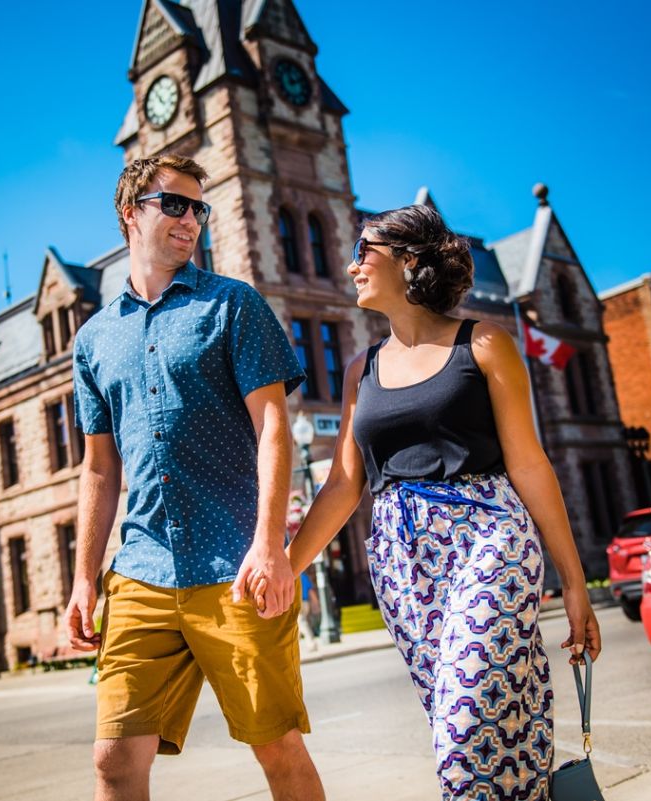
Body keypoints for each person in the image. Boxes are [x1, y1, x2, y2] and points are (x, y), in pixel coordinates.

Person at [258, 204, 602, 800]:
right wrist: (286, 566)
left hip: (488, 540)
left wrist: (573, 582)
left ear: (410, 260)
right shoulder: (360, 369)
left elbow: (529, 464)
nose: (351, 262)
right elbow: (344, 485)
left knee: (465, 728)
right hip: (402, 562)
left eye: (365, 249)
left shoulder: (485, 344)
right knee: (479, 722)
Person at [64, 154, 325, 801]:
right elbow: (99, 466)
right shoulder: (94, 340)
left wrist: (271, 543)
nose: (191, 219)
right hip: (141, 572)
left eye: (199, 207)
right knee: (113, 759)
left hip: (235, 568)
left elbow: (273, 429)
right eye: (174, 203)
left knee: (278, 747)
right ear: (131, 212)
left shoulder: (233, 306)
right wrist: (81, 578)